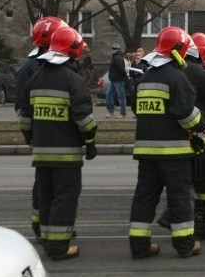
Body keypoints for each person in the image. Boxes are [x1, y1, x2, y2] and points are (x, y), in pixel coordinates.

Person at [128, 26, 205, 259]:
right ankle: (185, 245)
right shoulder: (176, 77)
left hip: (145, 152)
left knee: (144, 197)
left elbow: (136, 107)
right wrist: (202, 126)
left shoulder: (145, 78)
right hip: (174, 152)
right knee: (180, 197)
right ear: (180, 51)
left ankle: (139, 245)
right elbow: (185, 114)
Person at [19, 26, 97, 261]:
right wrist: (91, 142)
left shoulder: (35, 79)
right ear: (72, 52)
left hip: (41, 154)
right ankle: (59, 247)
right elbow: (84, 119)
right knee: (65, 197)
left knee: (46, 197)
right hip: (67, 156)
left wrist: (30, 139)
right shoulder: (73, 81)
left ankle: (47, 240)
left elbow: (24, 118)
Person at [157, 33, 205, 239]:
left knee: (190, 180)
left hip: (178, 135)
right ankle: (185, 221)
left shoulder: (175, 70)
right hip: (198, 136)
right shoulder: (194, 70)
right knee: (204, 181)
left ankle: (191, 222)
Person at [15, 16, 68, 241]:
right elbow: (23, 107)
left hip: (48, 135)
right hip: (51, 136)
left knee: (47, 185)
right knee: (49, 187)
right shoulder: (35, 67)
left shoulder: (31, 66)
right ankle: (44, 227)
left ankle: (45, 225)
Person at [105, 44, 128, 118]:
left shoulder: (117, 58)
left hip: (118, 79)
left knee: (120, 96)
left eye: (113, 49)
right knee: (109, 95)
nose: (112, 51)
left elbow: (121, 68)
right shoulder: (116, 57)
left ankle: (122, 113)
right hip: (114, 79)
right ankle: (111, 111)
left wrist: (124, 76)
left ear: (115, 50)